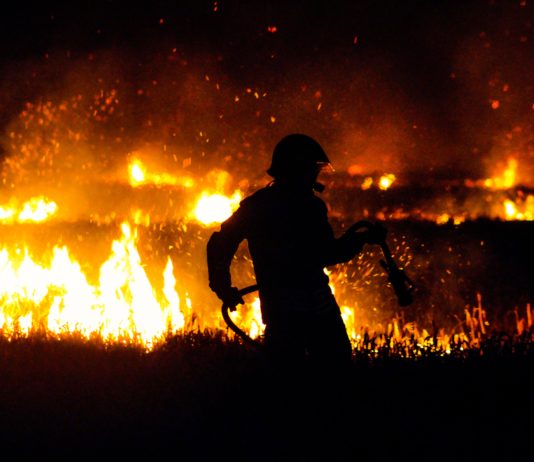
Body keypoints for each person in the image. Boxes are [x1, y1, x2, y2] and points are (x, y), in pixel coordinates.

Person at [207, 133, 386, 371]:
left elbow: (220, 243)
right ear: (298, 169)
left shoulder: (257, 206)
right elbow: (328, 254)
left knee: (286, 381)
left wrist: (222, 287)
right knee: (334, 374)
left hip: (281, 311)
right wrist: (361, 239)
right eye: (312, 169)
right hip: (315, 312)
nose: (316, 175)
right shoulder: (310, 207)